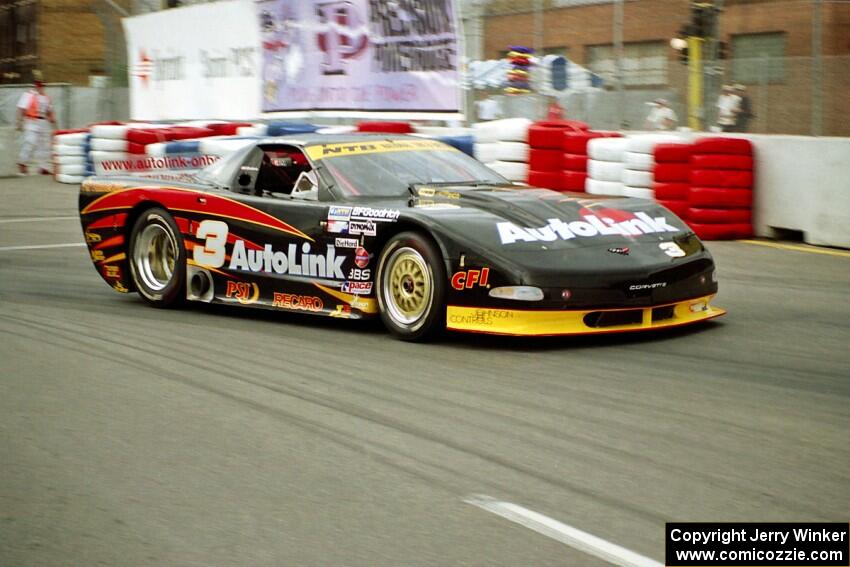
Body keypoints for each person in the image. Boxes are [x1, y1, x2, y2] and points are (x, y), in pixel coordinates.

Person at [16, 71, 56, 175]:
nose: (40, 86)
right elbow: (21, 108)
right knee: (30, 141)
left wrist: (52, 121)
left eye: (42, 84)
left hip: (43, 121)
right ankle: (22, 163)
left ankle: (43, 167)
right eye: (38, 84)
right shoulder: (29, 95)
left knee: (44, 145)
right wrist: (19, 121)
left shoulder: (46, 98)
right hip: (31, 121)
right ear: (35, 84)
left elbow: (49, 111)